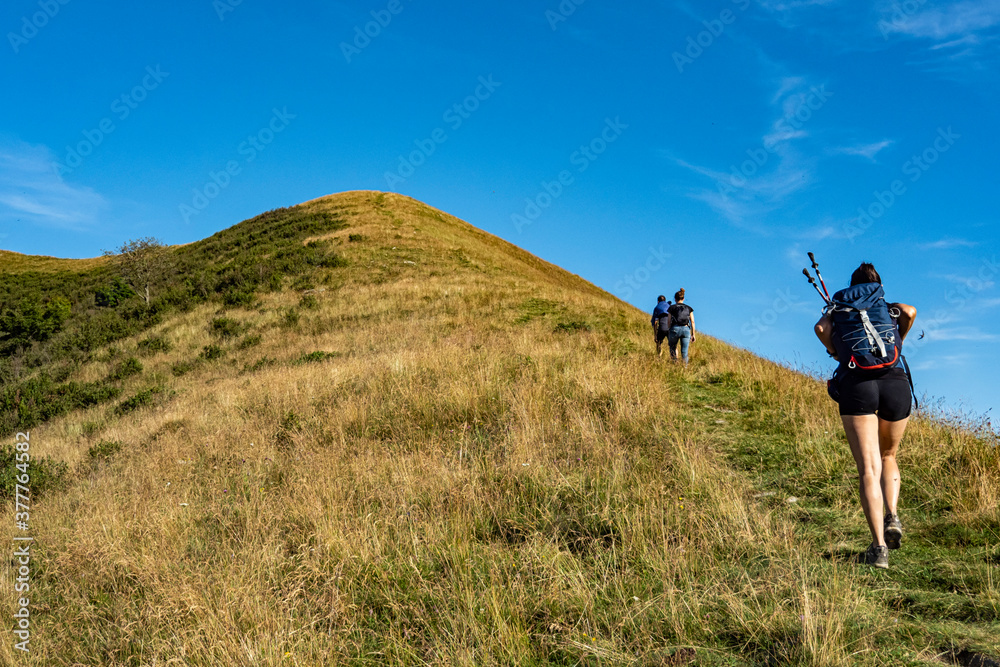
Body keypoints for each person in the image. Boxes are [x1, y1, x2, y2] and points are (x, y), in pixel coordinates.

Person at [814, 263, 917, 569]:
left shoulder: (838, 308)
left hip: (858, 383)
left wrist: (836, 352)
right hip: (896, 380)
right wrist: (900, 339)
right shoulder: (886, 307)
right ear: (877, 285)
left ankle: (879, 548)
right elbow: (910, 311)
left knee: (867, 469)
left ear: (853, 285)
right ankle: (893, 515)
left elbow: (821, 329)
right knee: (889, 454)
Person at [665, 289, 695, 364]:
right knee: (684, 352)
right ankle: (685, 368)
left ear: (675, 299)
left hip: (674, 328)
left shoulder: (671, 308)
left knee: (673, 348)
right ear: (683, 299)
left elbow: (668, 321)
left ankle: (674, 364)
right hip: (686, 330)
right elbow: (692, 322)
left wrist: (669, 329)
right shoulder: (689, 308)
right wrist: (693, 334)